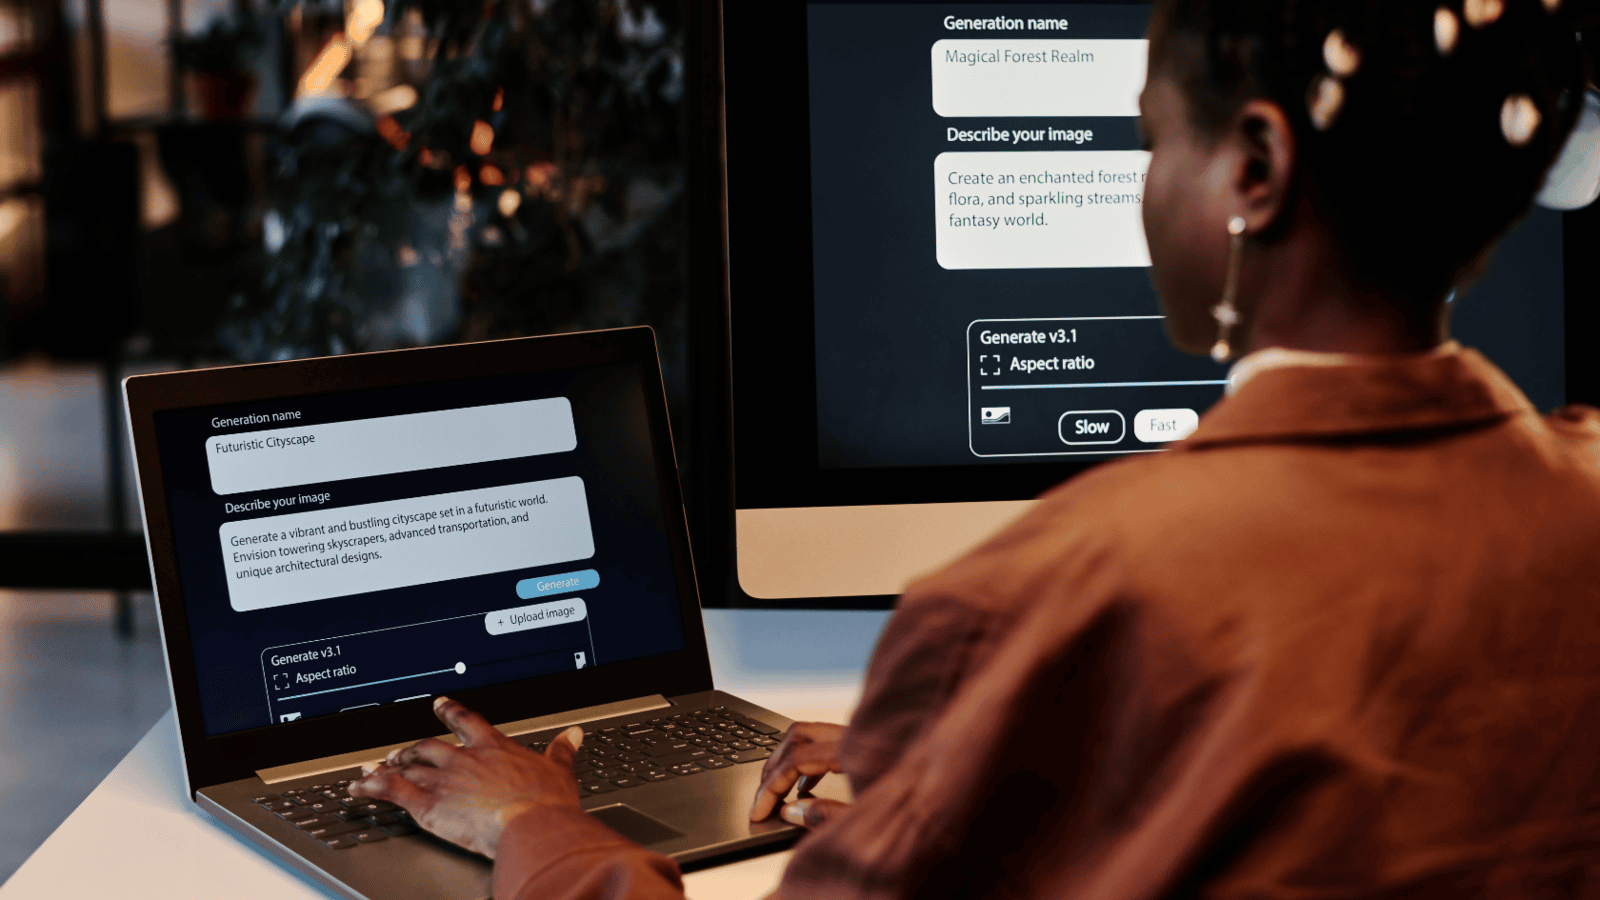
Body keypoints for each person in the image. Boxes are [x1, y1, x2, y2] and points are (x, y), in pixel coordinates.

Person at [350, 0, 1600, 896]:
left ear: (1255, 167)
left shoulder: (1048, 594)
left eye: (1153, 139)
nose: (1144, 183)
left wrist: (537, 830)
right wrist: (988, 751)